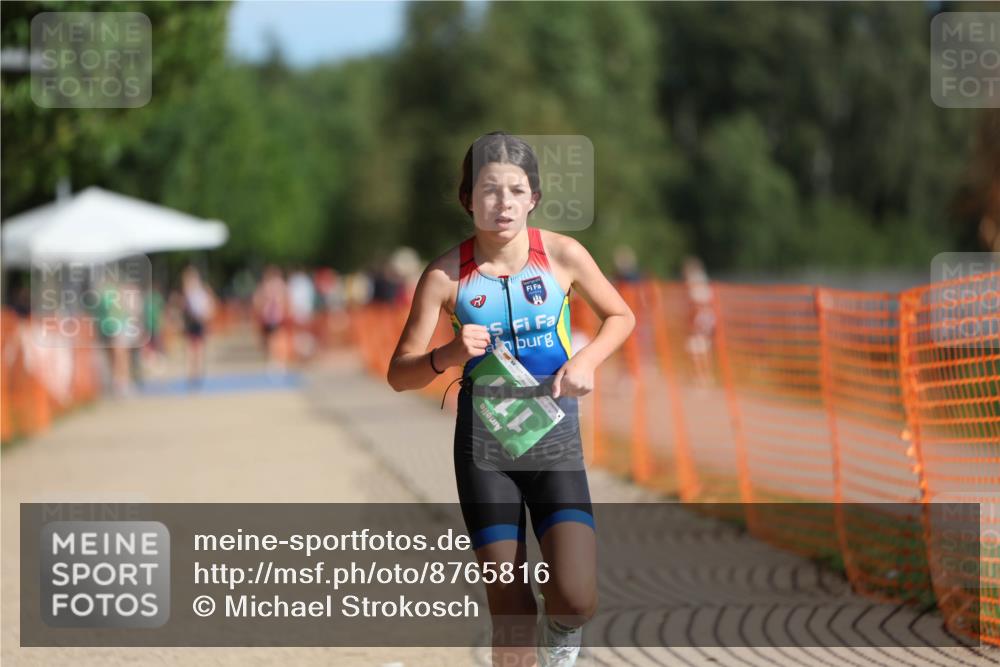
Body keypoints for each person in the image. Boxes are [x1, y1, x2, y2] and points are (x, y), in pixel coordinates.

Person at [387, 132, 635, 667]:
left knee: (575, 596)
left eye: (514, 190)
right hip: (485, 450)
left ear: (533, 198)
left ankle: (561, 643)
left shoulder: (563, 255)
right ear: (467, 199)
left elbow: (621, 316)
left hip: (555, 440)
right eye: (489, 190)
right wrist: (447, 354)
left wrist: (586, 361)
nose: (502, 203)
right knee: (511, 609)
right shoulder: (443, 277)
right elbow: (398, 375)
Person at [178, 265, 216, 387]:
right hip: (189, 324)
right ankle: (191, 376)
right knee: (190, 351)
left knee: (198, 350)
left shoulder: (201, 292)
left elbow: (209, 307)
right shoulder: (186, 293)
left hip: (198, 323)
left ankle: (197, 376)